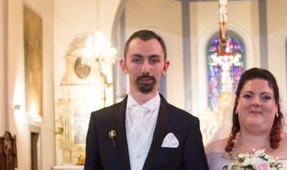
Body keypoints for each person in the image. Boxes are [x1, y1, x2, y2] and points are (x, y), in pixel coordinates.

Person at [84, 29, 209, 170]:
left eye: (154, 60)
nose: (145, 68)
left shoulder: (186, 125)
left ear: (165, 67)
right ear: (123, 66)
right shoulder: (100, 121)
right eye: (137, 60)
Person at [205, 68, 287, 170]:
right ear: (236, 105)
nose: (256, 102)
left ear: (277, 107)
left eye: (266, 97)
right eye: (248, 96)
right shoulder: (211, 153)